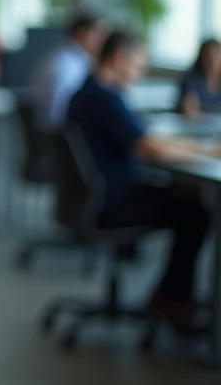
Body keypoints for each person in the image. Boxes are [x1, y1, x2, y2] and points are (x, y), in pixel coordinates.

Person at [66, 30, 217, 335]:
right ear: (120, 58)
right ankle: (171, 299)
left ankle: (173, 296)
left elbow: (145, 140)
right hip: (113, 201)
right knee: (195, 213)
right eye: (137, 64)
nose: (140, 71)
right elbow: (150, 146)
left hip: (97, 195)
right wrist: (209, 150)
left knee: (184, 198)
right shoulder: (104, 98)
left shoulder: (88, 91)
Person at [30, 12, 106, 131]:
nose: (102, 40)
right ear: (81, 33)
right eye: (97, 33)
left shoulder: (62, 57)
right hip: (61, 138)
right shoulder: (67, 66)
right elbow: (57, 113)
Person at [178, 38, 221, 118]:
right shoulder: (191, 80)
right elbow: (189, 109)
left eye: (217, 56)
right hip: (197, 127)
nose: (213, 61)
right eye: (209, 57)